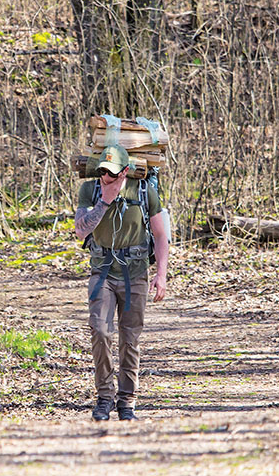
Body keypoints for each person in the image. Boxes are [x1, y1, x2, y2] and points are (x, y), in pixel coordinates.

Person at [74, 143, 168, 421]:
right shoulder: (90, 190)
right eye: (103, 171)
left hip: (135, 274)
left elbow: (161, 235)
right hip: (102, 272)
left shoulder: (143, 191)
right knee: (100, 332)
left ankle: (127, 401)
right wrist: (104, 200)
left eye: (113, 173)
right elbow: (80, 231)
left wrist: (161, 275)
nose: (106, 177)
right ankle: (104, 397)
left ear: (125, 171)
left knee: (130, 339)